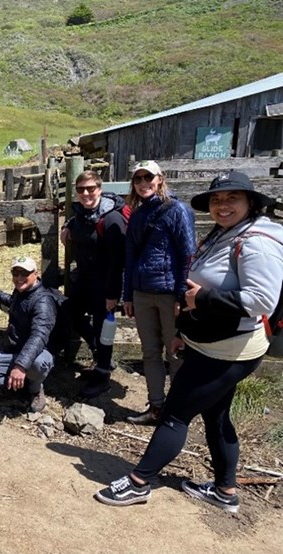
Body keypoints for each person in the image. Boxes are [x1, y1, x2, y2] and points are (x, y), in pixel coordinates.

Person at [95, 172, 283, 513]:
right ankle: (225, 491)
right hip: (215, 341)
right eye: (216, 200)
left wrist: (202, 300)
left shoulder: (256, 241)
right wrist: (185, 330)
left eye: (231, 199)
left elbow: (260, 300)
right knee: (216, 415)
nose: (222, 206)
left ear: (250, 202)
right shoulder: (227, 233)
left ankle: (140, 482)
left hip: (228, 349)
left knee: (174, 415)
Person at [123, 161, 196, 424]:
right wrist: (128, 294)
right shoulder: (138, 214)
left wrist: (180, 296)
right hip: (142, 292)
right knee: (150, 352)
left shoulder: (177, 210)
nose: (143, 183)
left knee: (174, 352)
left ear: (160, 179)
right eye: (138, 179)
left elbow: (187, 255)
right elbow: (130, 256)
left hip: (168, 293)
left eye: (148, 177)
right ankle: (156, 406)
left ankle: (177, 411)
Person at [60, 170, 128, 399]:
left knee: (103, 328)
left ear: (100, 188)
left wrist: (113, 293)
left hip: (105, 282)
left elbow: (118, 260)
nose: (86, 193)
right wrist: (67, 225)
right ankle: (98, 352)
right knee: (70, 312)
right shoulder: (80, 213)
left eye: (91, 188)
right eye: (81, 190)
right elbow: (79, 219)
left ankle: (102, 376)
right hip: (85, 279)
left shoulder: (111, 218)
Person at [0, 256, 57, 413]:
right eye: (15, 273)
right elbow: (13, 302)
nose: (19, 278)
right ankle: (20, 382)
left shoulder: (43, 302)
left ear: (36, 274)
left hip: (39, 353)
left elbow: (38, 336)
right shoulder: (21, 292)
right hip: (14, 351)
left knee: (38, 364)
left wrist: (20, 365)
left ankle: (35, 388)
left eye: (24, 273)